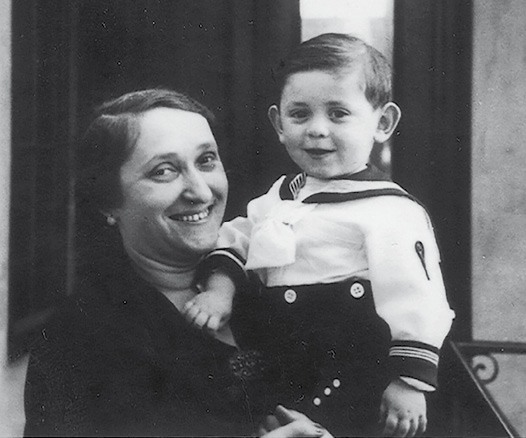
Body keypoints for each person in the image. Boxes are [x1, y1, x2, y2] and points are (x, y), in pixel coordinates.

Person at [184, 33, 455, 437]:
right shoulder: (279, 196)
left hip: (351, 369)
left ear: (382, 123)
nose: (316, 129)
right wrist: (219, 291)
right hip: (282, 359)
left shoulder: (391, 210)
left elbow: (417, 297)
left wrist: (408, 382)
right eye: (300, 114)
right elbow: (237, 239)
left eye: (338, 114)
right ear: (278, 124)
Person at [23, 88, 333, 437]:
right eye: (164, 171)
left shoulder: (271, 279)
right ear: (108, 201)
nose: (200, 192)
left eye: (206, 161)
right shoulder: (80, 337)